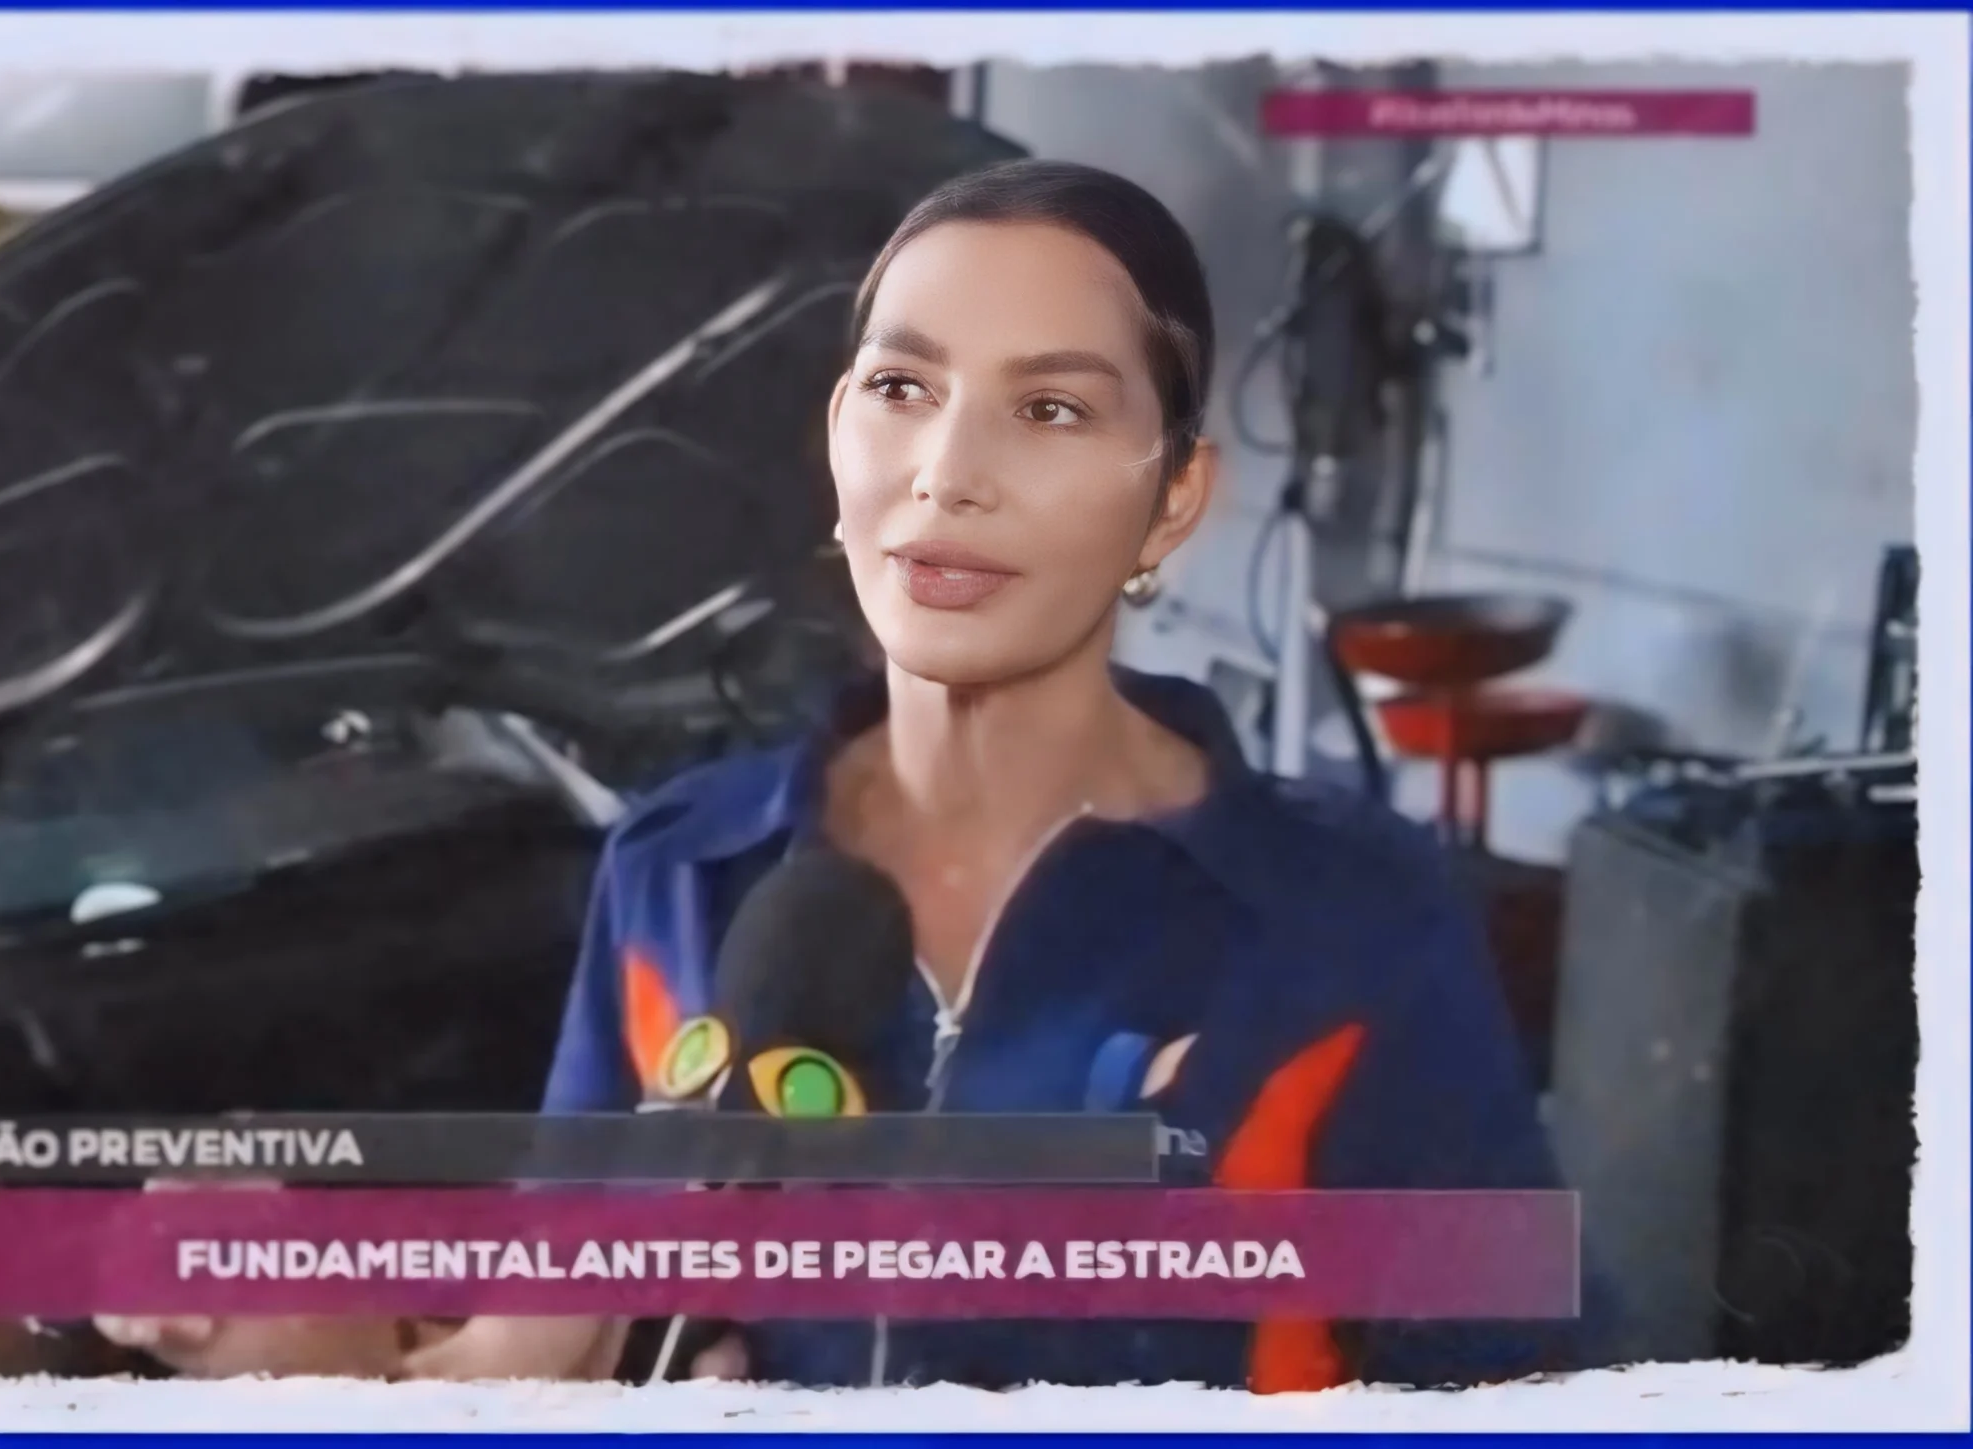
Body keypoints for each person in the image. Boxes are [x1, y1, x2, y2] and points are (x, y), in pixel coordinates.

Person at [106, 157, 1600, 1389]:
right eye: (902, 388)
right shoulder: (680, 874)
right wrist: (302, 1329)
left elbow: (1518, 1386)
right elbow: (532, 1351)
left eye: (1052, 409)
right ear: (839, 440)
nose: (949, 470)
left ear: (1170, 500)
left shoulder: (1348, 917)